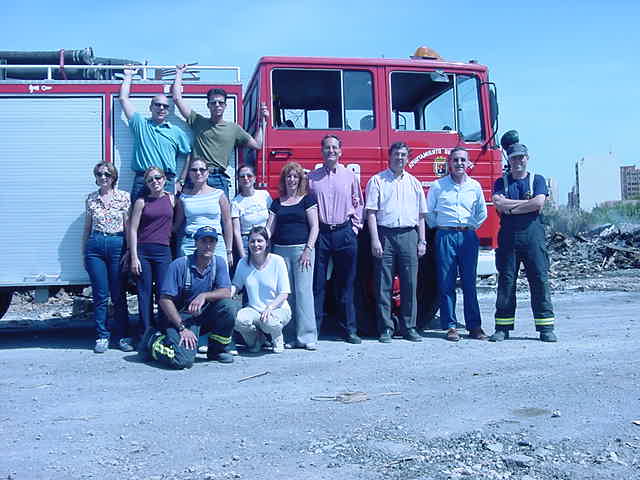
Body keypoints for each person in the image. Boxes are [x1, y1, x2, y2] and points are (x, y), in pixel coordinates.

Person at [138, 226, 239, 368]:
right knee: (183, 361)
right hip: (180, 319)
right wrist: (182, 328)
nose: (208, 245)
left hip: (202, 315)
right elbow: (164, 300)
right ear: (196, 243)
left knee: (229, 306)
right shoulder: (179, 265)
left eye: (212, 241)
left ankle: (217, 350)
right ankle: (152, 341)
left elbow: (226, 292)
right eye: (204, 241)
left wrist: (204, 296)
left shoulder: (219, 263)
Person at [491, 143, 557, 342]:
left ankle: (546, 328)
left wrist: (511, 207)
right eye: (513, 158)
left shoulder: (536, 180)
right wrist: (524, 205)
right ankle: (502, 327)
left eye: (521, 157)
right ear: (508, 160)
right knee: (506, 282)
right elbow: (498, 204)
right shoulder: (500, 182)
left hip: (533, 238)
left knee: (539, 280)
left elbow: (538, 203)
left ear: (527, 158)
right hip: (508, 240)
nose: (517, 161)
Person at [172, 65, 269, 198]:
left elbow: (257, 145)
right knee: (188, 217)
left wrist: (263, 122)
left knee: (222, 218)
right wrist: (179, 73)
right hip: (196, 175)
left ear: (225, 105)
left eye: (220, 103)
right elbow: (177, 99)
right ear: (208, 105)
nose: (217, 105)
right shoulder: (197, 121)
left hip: (218, 179)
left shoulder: (234, 129)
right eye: (213, 103)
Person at [365, 142, 427, 343]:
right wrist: (375, 239)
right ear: (389, 156)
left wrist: (422, 241)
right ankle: (385, 328)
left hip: (410, 235)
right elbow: (371, 213)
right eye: (396, 154)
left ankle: (409, 327)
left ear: (407, 158)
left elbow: (421, 216)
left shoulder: (415, 183)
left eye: (403, 155)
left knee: (410, 283)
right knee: (383, 284)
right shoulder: (377, 181)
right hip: (385, 235)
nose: (399, 158)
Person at [426, 147, 488, 342]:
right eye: (455, 160)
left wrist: (470, 227)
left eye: (463, 160)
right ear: (449, 163)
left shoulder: (475, 187)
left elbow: (482, 213)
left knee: (470, 283)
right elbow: (429, 214)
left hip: (468, 237)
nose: (459, 163)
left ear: (468, 163)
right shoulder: (438, 186)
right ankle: (451, 326)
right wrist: (443, 228)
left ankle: (474, 326)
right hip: (445, 236)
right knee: (446, 282)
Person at [308, 135, 364, 344]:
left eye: (334, 147)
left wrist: (355, 229)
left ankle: (349, 330)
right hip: (321, 234)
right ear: (322, 151)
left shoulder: (350, 176)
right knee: (317, 284)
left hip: (344, 233)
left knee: (346, 284)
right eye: (327, 147)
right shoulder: (312, 179)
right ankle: (314, 330)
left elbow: (358, 203)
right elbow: (308, 206)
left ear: (340, 151)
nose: (331, 151)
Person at [267, 162, 319, 350]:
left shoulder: (308, 200)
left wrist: (308, 249)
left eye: (295, 176)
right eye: (288, 176)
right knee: (285, 296)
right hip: (280, 252)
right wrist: (260, 244)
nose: (292, 180)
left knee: (304, 293)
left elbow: (315, 227)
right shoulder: (276, 202)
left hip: (301, 251)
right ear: (284, 179)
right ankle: (288, 336)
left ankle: (307, 337)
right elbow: (269, 230)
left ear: (300, 180)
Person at [81, 162, 132, 353]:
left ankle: (123, 336)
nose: (103, 177)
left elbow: (128, 227)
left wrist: (129, 251)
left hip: (117, 245)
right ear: (95, 177)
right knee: (100, 295)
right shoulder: (91, 199)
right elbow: (87, 227)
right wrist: (84, 252)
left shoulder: (124, 197)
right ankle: (102, 335)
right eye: (100, 174)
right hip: (95, 246)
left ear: (113, 177)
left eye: (107, 174)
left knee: (118, 294)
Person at [119, 68, 191, 201]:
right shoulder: (140, 124)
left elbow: (189, 154)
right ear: (150, 107)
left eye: (165, 106)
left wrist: (181, 180)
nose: (161, 108)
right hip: (143, 180)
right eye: (157, 105)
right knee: (138, 219)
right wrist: (128, 76)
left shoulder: (176, 132)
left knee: (166, 220)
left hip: (167, 181)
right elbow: (123, 99)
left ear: (169, 111)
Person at [128, 166, 175, 342]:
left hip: (164, 251)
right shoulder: (141, 202)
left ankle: (164, 330)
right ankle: (146, 331)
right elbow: (132, 229)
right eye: (150, 180)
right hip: (143, 251)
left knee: (164, 292)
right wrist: (134, 256)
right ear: (146, 183)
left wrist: (169, 234)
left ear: (164, 179)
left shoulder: (171, 199)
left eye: (158, 178)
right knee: (144, 293)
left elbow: (177, 222)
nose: (155, 182)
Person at [232, 226, 292, 354]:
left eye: (260, 241)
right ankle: (257, 340)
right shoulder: (243, 263)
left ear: (266, 243)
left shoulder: (277, 261)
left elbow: (284, 293)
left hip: (277, 309)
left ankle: (277, 338)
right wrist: (226, 296)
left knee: (269, 322)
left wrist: (269, 308)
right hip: (254, 309)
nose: (256, 245)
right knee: (239, 320)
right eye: (252, 241)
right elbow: (236, 286)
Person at [174, 157, 233, 267]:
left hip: (216, 242)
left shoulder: (219, 194)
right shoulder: (184, 197)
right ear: (189, 173)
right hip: (191, 243)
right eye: (194, 170)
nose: (198, 173)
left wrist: (229, 251)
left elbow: (227, 222)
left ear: (207, 172)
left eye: (202, 169)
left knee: (219, 281)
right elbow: (177, 224)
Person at [231, 164, 272, 258]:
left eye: (249, 175)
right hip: (248, 241)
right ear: (238, 180)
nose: (246, 178)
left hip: (265, 238)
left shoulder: (264, 195)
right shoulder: (235, 202)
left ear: (255, 178)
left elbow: (272, 217)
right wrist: (242, 254)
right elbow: (236, 231)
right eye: (242, 176)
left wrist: (268, 234)